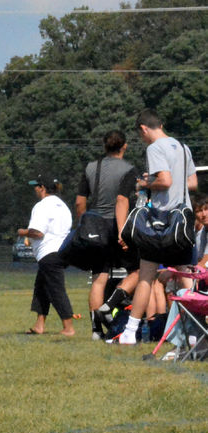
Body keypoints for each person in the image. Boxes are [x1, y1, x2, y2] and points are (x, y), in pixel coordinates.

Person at [110, 108, 197, 345]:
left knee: (146, 276)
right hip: (183, 223)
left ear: (144, 129)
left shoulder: (154, 148)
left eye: (141, 135)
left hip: (161, 223)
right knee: (185, 277)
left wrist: (147, 182)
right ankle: (194, 330)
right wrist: (164, 182)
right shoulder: (182, 147)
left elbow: (165, 180)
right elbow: (192, 183)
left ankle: (130, 332)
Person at [74, 130, 139, 340]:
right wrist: (122, 231)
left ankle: (95, 331)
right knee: (138, 271)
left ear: (104, 146)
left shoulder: (91, 168)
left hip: (95, 226)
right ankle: (111, 307)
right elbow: (124, 200)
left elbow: (80, 202)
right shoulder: (129, 169)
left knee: (98, 278)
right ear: (125, 146)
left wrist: (85, 222)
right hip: (118, 225)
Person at [18, 175, 75, 336]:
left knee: (56, 290)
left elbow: (37, 232)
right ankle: (39, 325)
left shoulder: (42, 206)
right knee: (41, 288)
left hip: (49, 253)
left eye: (36, 186)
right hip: (63, 251)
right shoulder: (63, 206)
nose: (35, 189)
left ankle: (68, 328)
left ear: (42, 187)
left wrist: (22, 232)